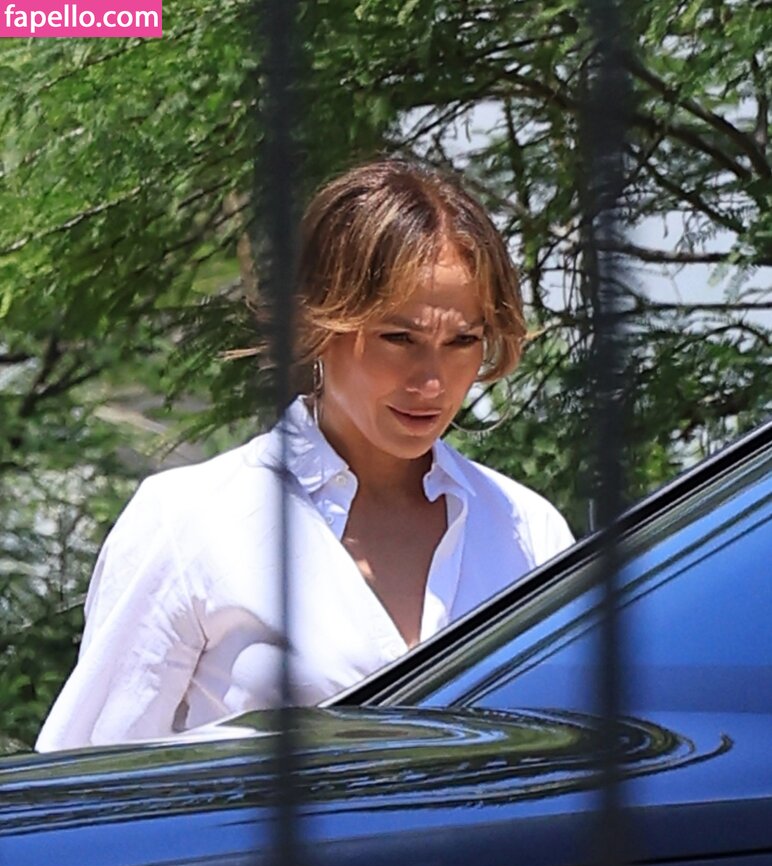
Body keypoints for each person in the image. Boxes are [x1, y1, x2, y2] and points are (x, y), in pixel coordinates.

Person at [36, 158, 574, 752]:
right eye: (399, 338)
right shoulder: (189, 522)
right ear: (320, 323)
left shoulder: (529, 533)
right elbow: (88, 778)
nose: (432, 382)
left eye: (463, 341)